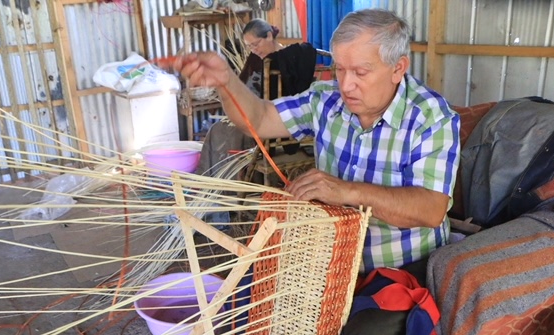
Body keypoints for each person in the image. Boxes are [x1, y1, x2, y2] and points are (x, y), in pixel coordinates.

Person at [175, 9, 461, 273]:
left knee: (361, 330)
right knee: (249, 300)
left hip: (403, 270)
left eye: (361, 72)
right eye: (339, 69)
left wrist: (347, 192)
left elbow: (431, 209)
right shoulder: (325, 98)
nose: (346, 85)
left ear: (398, 68)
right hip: (330, 259)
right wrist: (226, 82)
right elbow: (259, 119)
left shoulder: (431, 117)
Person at [195, 18, 317, 176]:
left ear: (269, 36)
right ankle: (214, 182)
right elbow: (243, 88)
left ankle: (230, 182)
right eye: (249, 46)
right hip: (254, 117)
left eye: (256, 44)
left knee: (220, 132)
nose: (254, 50)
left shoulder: (284, 60)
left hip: (271, 123)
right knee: (216, 129)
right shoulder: (258, 59)